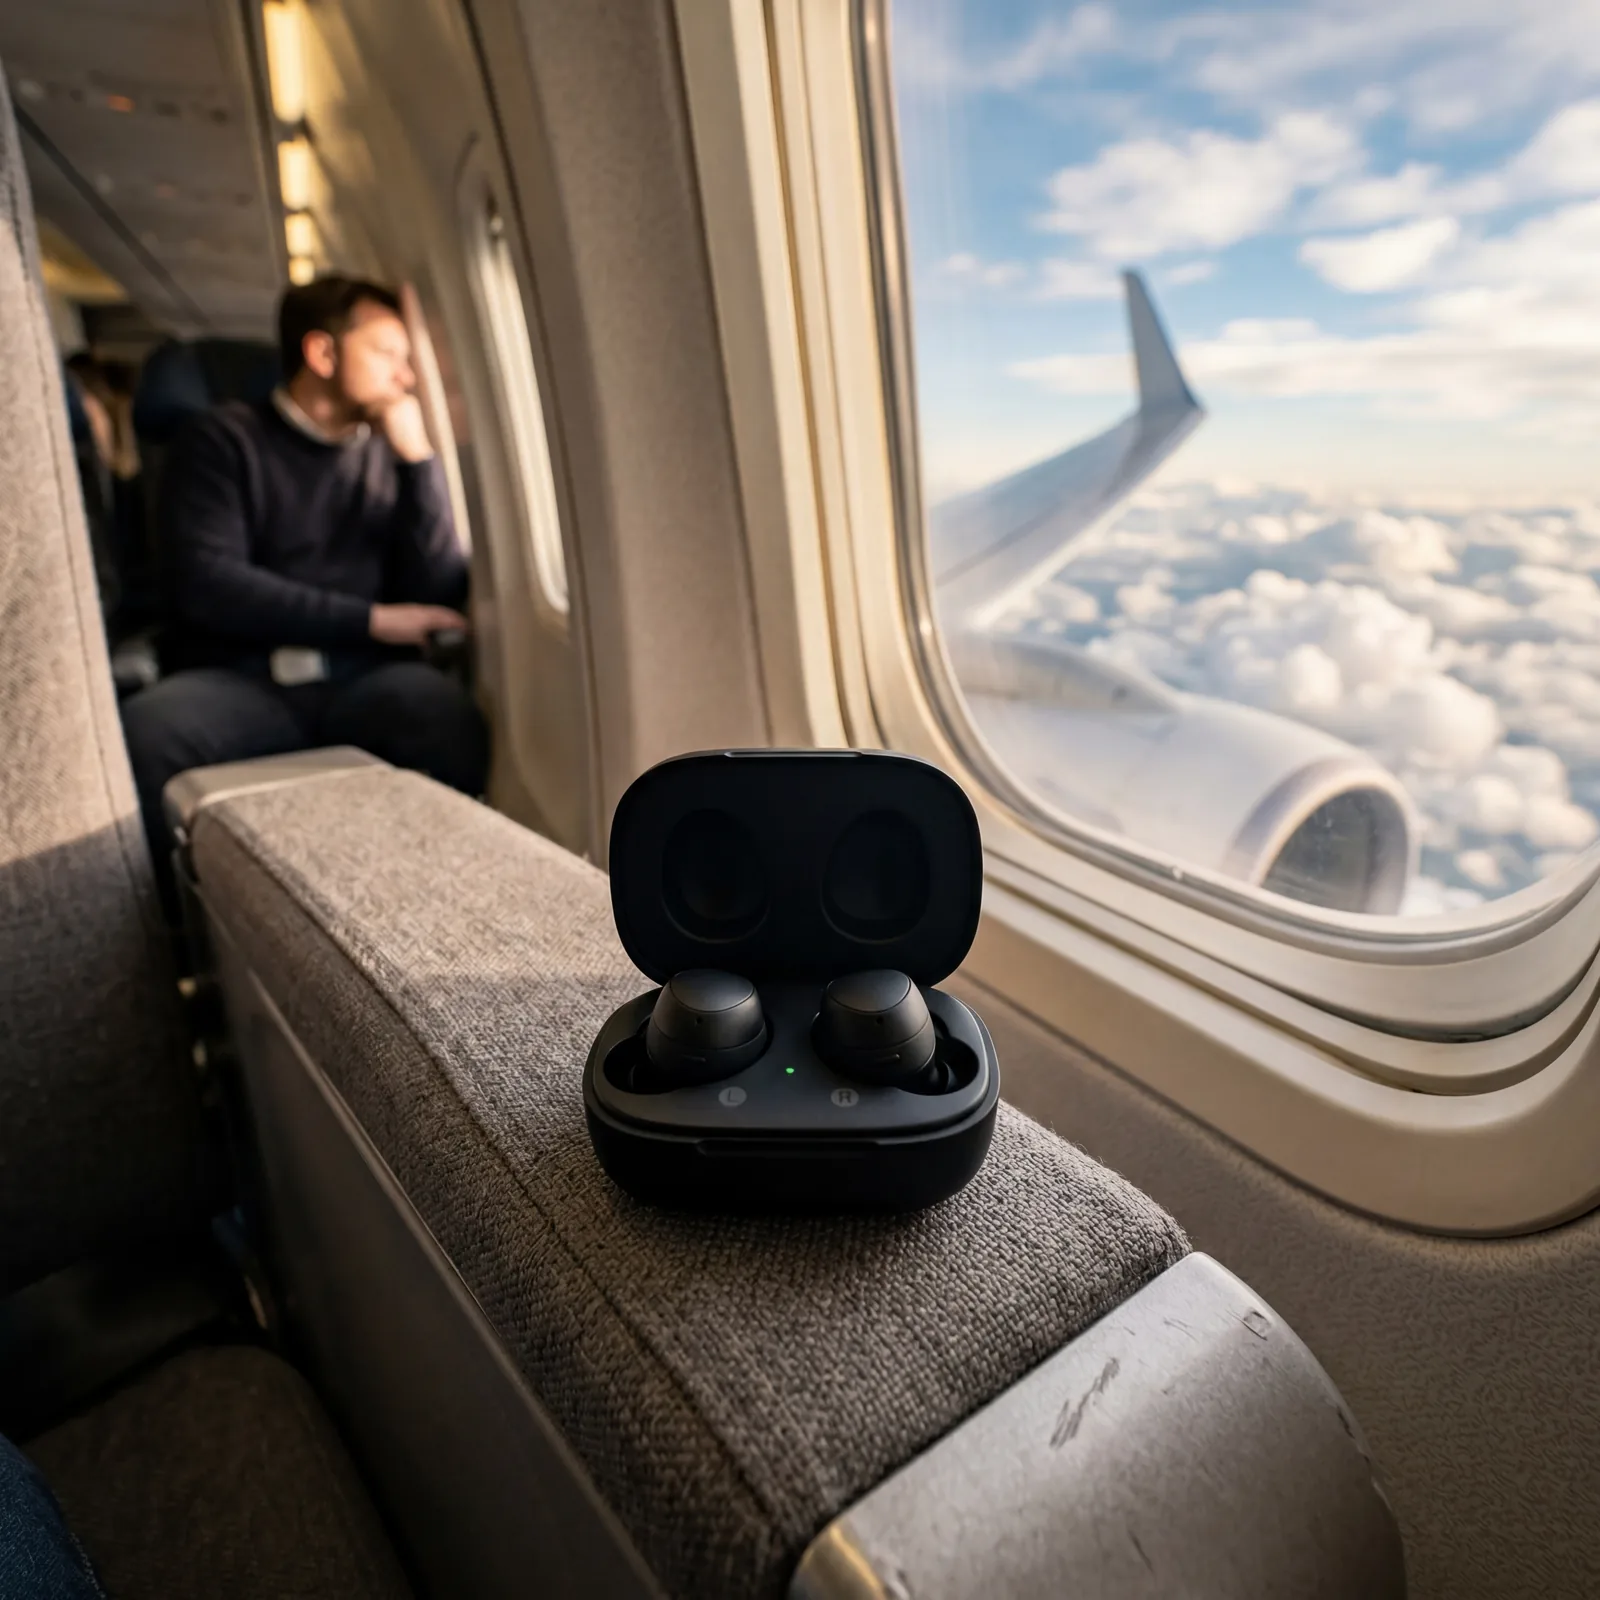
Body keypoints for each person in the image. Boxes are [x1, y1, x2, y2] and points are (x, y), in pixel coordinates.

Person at [121, 274, 488, 918]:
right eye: (388, 354)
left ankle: (434, 920)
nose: (406, 377)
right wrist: (370, 621)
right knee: (148, 733)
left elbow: (432, 591)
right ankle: (179, 955)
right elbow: (211, 583)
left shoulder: (385, 455)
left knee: (439, 713)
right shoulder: (221, 440)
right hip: (245, 682)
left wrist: (419, 461)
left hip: (358, 682)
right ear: (322, 355)